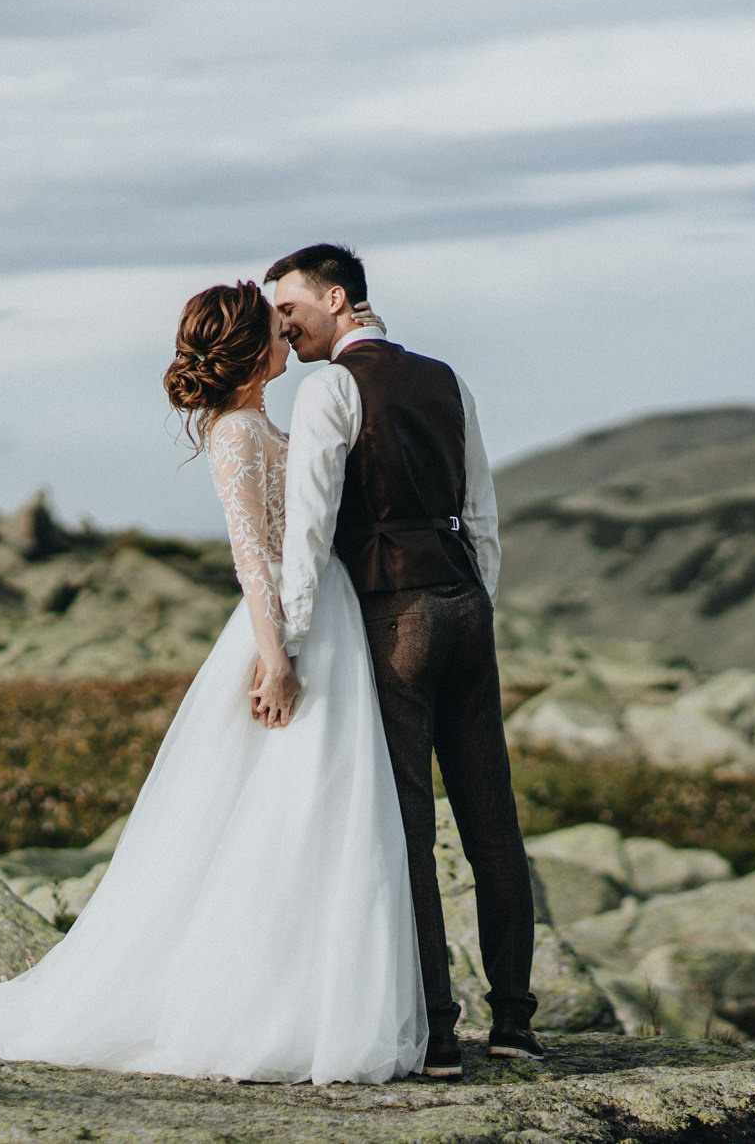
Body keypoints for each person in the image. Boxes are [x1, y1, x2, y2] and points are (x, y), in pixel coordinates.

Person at [0, 281, 428, 1085]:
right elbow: (253, 560)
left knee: (320, 812)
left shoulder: (260, 421)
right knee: (287, 809)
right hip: (288, 629)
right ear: (252, 349)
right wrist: (276, 656)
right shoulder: (237, 433)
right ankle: (275, 1007)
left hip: (328, 620)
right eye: (275, 327)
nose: (288, 334)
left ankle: (311, 999)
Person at [265, 243, 542, 1080]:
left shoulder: (330, 389)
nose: (282, 323)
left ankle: (440, 1034)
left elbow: (308, 527)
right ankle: (518, 1023)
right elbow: (480, 508)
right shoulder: (447, 380)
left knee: (408, 830)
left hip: (392, 616)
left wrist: (296, 640)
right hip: (463, 603)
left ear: (339, 298)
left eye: (291, 306)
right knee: (493, 821)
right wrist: (477, 598)